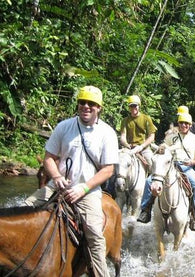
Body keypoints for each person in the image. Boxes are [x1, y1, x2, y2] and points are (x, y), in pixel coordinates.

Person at [25, 86, 119, 277]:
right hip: (56, 186)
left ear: (99, 107)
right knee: (24, 210)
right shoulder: (63, 126)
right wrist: (57, 177)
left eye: (91, 104)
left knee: (94, 235)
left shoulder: (107, 133)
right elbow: (49, 157)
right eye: (82, 102)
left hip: (88, 190)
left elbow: (108, 169)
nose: (86, 106)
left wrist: (83, 188)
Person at [137, 113, 195, 232]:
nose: (183, 125)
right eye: (181, 123)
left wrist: (192, 162)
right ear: (178, 124)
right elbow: (162, 150)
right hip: (170, 165)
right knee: (149, 181)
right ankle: (145, 210)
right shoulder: (171, 136)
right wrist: (161, 148)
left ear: (190, 125)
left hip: (186, 166)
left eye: (186, 123)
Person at [120, 95, 157, 170]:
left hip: (143, 149)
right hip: (129, 148)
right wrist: (127, 145)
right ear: (129, 107)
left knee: (152, 166)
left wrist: (141, 147)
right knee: (118, 163)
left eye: (135, 106)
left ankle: (150, 181)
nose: (133, 108)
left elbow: (151, 136)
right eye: (131, 106)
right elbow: (123, 136)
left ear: (139, 106)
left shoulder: (146, 118)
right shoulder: (125, 121)